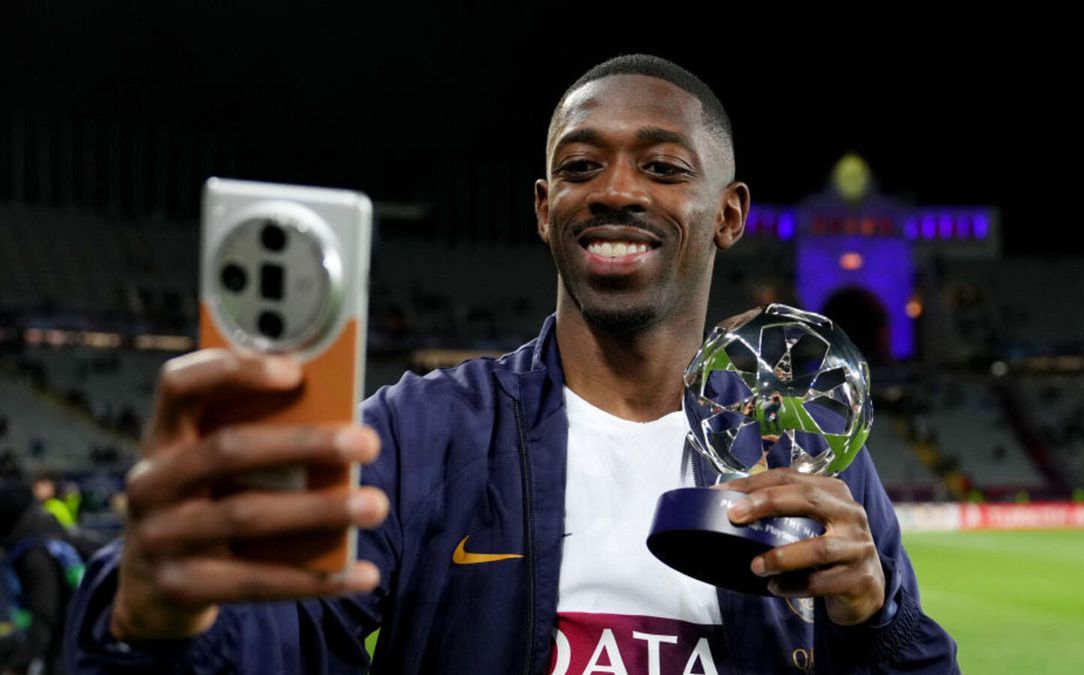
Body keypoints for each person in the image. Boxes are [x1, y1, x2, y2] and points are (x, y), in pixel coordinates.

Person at [67, 55, 958, 673]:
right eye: (581, 166)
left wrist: (875, 622)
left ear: (728, 214)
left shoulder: (800, 462)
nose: (615, 190)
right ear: (545, 207)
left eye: (660, 164)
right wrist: (151, 618)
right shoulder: (419, 433)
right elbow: (274, 632)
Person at [1, 478, 76, 675]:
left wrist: (18, 665)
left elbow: (45, 613)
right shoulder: (45, 530)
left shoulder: (34, 551)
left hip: (70, 643)